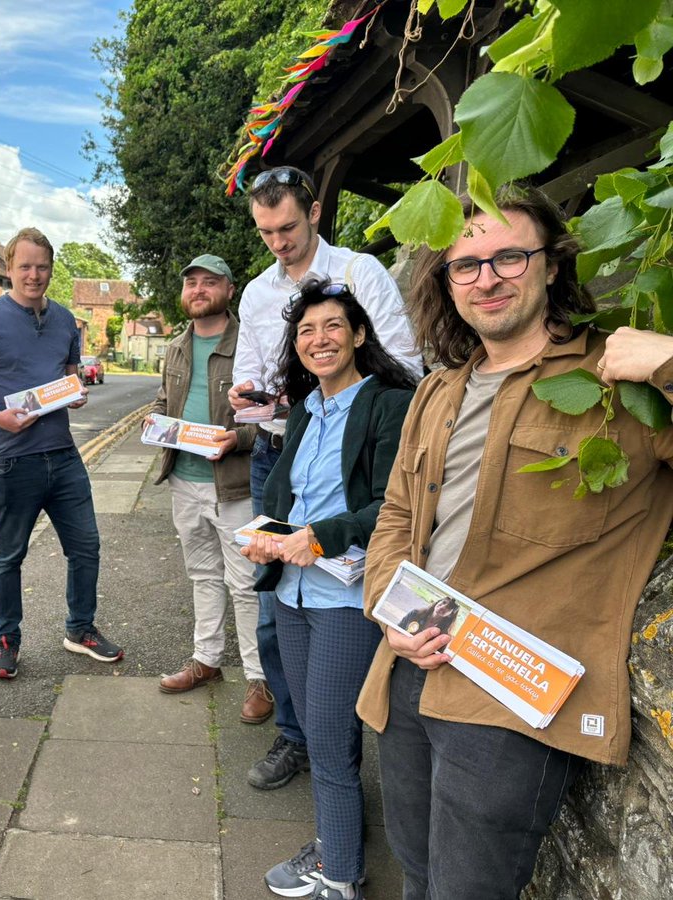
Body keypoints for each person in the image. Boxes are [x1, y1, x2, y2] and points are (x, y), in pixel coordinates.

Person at [359, 185, 673, 899]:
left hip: (508, 702)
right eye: (466, 265)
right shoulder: (438, 391)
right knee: (415, 873)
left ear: (552, 264)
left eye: (510, 257)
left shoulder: (614, 381)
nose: (487, 278)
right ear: (447, 283)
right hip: (407, 669)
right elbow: (397, 517)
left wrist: (668, 363)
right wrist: (387, 608)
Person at [228, 165, 423, 793]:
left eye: (287, 227)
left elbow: (405, 367)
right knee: (274, 607)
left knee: (346, 590)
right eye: (266, 233)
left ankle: (335, 734)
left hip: (351, 452)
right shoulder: (257, 292)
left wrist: (335, 398)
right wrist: (249, 395)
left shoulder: (360, 272)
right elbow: (254, 373)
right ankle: (299, 735)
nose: (278, 243)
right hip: (282, 450)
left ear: (314, 213)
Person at [242, 280, 415, 900]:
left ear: (360, 334)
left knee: (330, 737)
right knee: (319, 733)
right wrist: (266, 535)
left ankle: (339, 876)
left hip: (346, 597)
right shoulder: (305, 409)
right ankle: (336, 844)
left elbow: (394, 504)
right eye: (306, 330)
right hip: (291, 592)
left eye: (333, 326)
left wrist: (319, 538)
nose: (319, 339)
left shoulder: (390, 404)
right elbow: (288, 497)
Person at [0, 227, 122, 679]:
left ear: (51, 269)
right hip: (11, 459)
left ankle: (80, 629)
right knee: (8, 556)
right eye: (25, 267)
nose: (34, 275)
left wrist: (76, 393)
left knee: (86, 547)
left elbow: (70, 375)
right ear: (9, 268)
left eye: (42, 267)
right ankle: (6, 640)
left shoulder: (65, 320)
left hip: (63, 454)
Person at [150, 254, 267, 722]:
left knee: (246, 584)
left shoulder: (250, 344)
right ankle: (207, 660)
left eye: (210, 282)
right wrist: (154, 422)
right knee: (202, 575)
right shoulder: (177, 347)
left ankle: (260, 678)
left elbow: (271, 417)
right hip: (185, 480)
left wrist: (238, 439)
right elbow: (165, 401)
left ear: (229, 290)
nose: (198, 289)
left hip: (235, 487)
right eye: (192, 282)